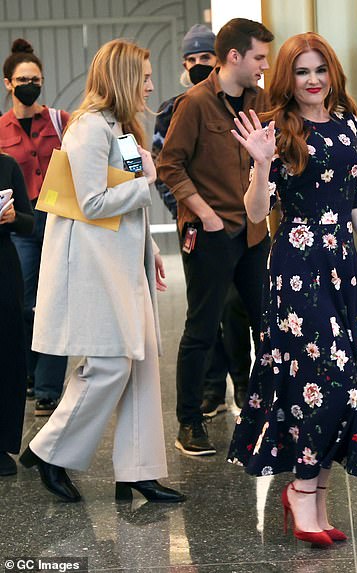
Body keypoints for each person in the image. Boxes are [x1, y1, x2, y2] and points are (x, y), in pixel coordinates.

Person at [227, 32, 357, 546]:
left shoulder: (347, 124)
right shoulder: (278, 131)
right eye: (302, 72)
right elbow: (257, 214)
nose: (313, 80)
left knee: (348, 382)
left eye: (319, 69)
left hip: (343, 267)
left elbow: (356, 199)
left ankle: (315, 497)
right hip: (298, 267)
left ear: (332, 73)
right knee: (320, 378)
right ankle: (302, 493)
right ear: (288, 79)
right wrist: (260, 163)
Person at [19, 39, 185, 504]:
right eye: (146, 76)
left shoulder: (123, 128)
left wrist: (150, 245)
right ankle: (49, 450)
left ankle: (139, 470)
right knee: (111, 364)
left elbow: (132, 195)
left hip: (123, 260)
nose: (151, 84)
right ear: (124, 78)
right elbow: (93, 202)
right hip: (93, 265)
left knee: (142, 362)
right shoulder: (89, 129)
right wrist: (147, 182)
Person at [158, 18, 274, 456]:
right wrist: (204, 215)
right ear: (234, 57)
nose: (265, 65)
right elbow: (170, 165)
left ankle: (264, 414)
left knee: (268, 327)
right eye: (259, 57)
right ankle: (189, 424)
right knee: (202, 330)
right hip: (210, 232)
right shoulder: (194, 104)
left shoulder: (260, 101)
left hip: (253, 232)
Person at [152, 24, 252, 417]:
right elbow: (162, 169)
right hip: (196, 227)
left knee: (236, 308)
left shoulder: (243, 102)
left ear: (220, 58)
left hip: (238, 226)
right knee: (204, 313)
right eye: (190, 60)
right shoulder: (171, 109)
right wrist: (187, 208)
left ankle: (243, 385)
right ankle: (210, 391)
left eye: (203, 58)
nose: (196, 65)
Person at [0, 38, 69, 415]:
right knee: (25, 304)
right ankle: (29, 370)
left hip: (57, 217)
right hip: (19, 223)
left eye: (36, 78)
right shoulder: (1, 129)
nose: (30, 84)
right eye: (23, 78)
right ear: (8, 84)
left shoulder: (60, 121)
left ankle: (47, 387)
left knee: (55, 302)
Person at [0, 150, 34, 476]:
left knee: (9, 355)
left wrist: (13, 218)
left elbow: (29, 221)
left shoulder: (7, 165)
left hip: (4, 269)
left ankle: (3, 443)